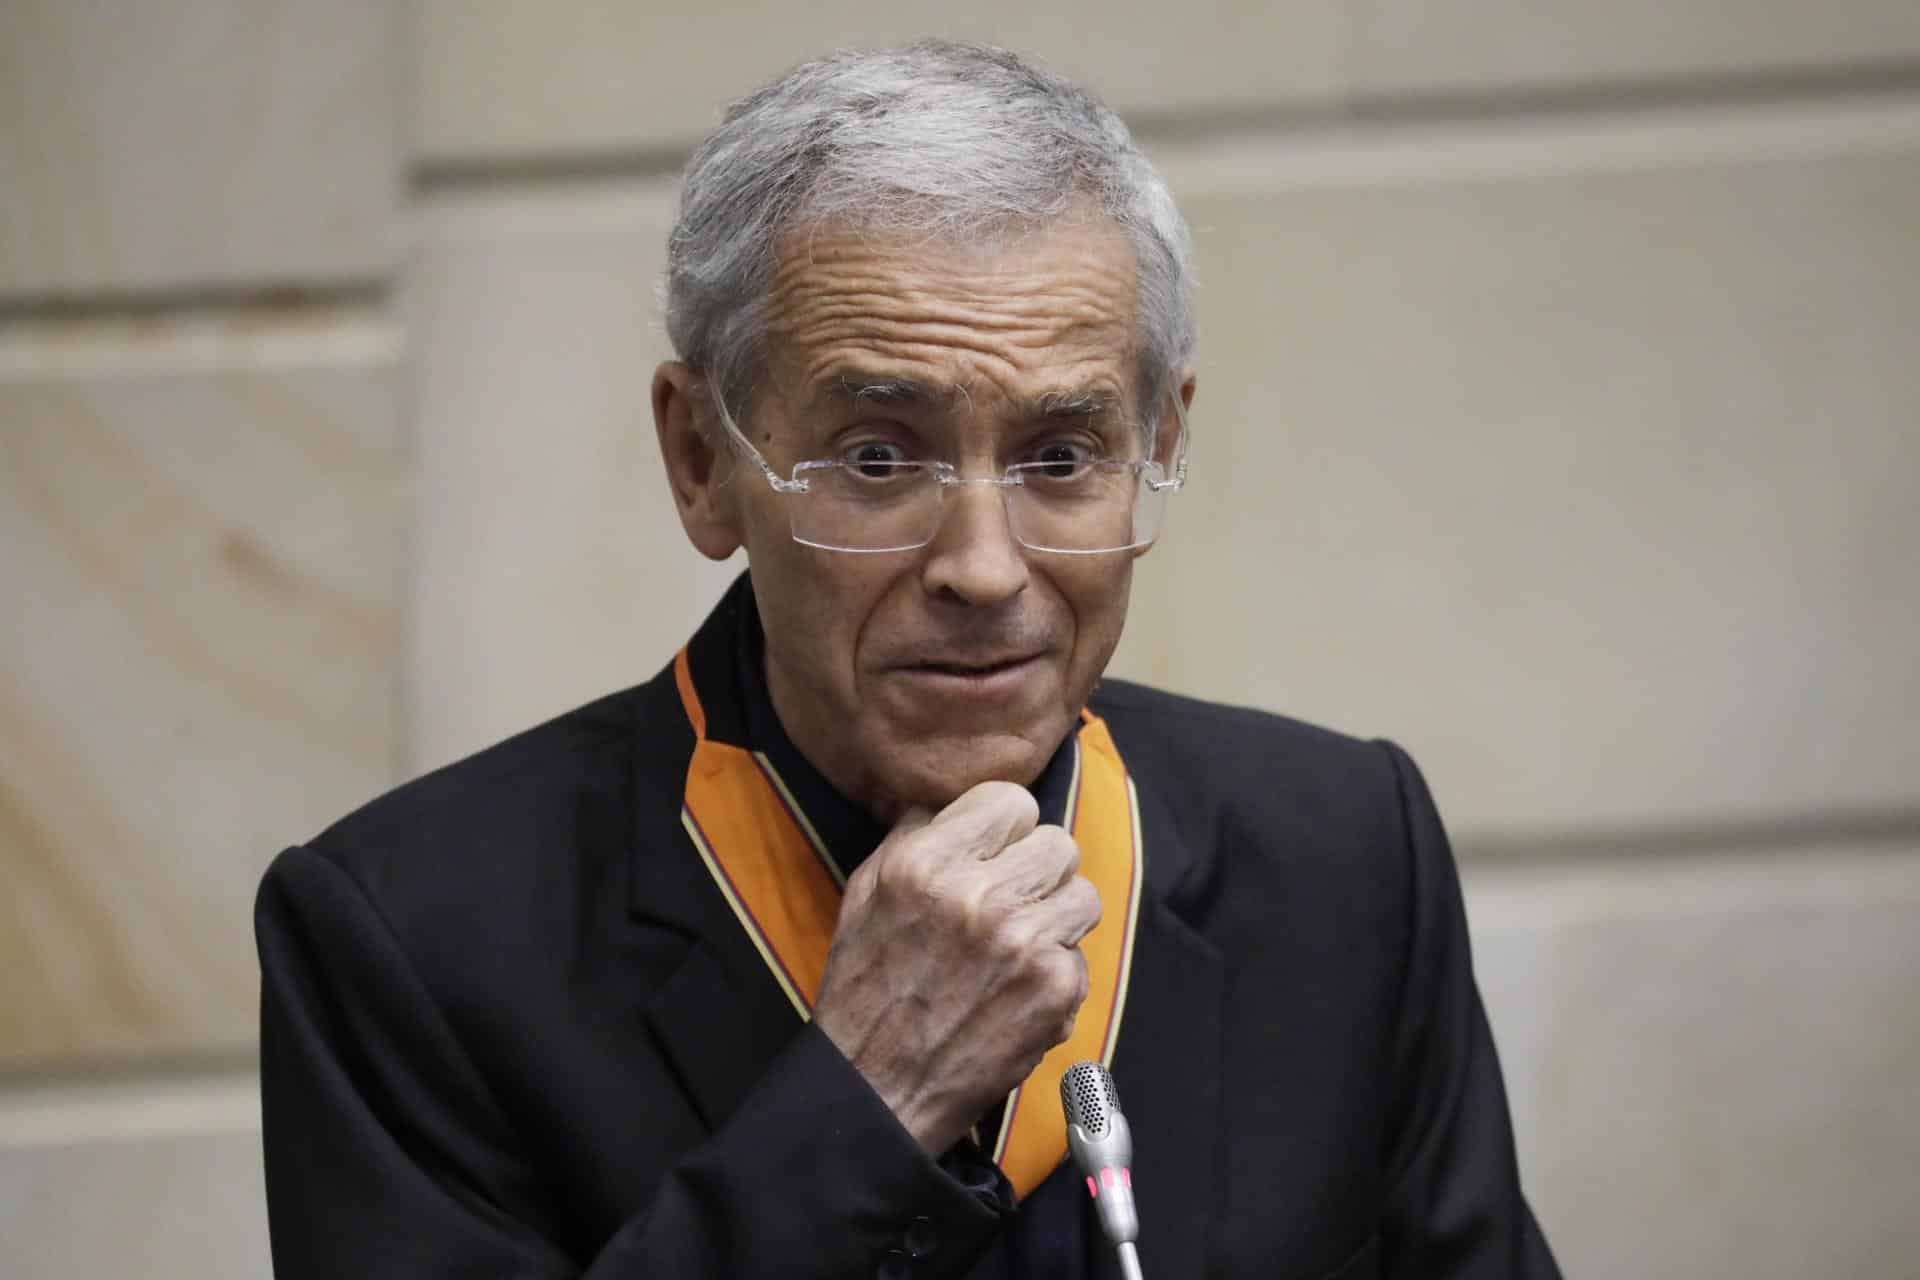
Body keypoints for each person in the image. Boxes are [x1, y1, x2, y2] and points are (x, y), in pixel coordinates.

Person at [255, 39, 1560, 1280]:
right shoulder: (412, 945)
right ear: (702, 461)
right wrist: (868, 1100)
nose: (984, 568)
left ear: (1160, 440)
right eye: (878, 458)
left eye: (1062, 458)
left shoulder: (1340, 855)